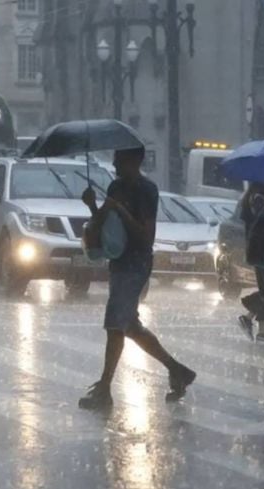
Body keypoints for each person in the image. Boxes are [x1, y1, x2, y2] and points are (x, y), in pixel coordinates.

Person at [78, 147, 196, 409]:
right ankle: (177, 370)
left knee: (115, 325)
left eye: (120, 159)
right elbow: (104, 224)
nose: (115, 163)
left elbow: (146, 236)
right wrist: (93, 206)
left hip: (136, 263)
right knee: (128, 325)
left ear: (135, 161)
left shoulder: (146, 190)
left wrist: (120, 209)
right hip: (119, 262)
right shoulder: (115, 186)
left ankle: (105, 388)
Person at [238, 182, 264, 342]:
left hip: (259, 251)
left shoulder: (252, 197)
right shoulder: (260, 199)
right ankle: (248, 318)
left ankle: (261, 330)